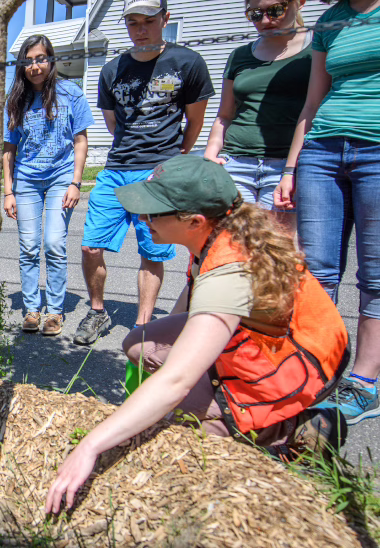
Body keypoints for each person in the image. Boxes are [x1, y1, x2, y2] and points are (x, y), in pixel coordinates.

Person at [46, 155, 350, 514]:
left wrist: (90, 446)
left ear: (193, 221)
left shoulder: (230, 269)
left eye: (154, 212)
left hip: (293, 364)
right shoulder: (218, 232)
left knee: (182, 406)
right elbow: (190, 302)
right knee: (139, 344)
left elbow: (176, 380)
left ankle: (290, 429)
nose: (143, 220)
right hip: (268, 335)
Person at [275, 0, 380, 424]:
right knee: (316, 270)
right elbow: (314, 100)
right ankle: (317, 367)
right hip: (321, 149)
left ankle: (365, 380)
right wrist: (292, 167)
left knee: (375, 275)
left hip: (376, 149)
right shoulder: (330, 22)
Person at [76, 0, 214, 346]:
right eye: (133, 22)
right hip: (117, 167)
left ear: (164, 20)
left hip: (159, 169)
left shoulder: (187, 63)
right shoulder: (112, 70)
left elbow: (195, 122)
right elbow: (112, 123)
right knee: (91, 245)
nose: (141, 29)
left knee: (152, 250)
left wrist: (173, 157)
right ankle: (97, 311)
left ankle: (142, 325)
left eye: (149, 21)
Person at [204, 0, 310, 233]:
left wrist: (291, 169)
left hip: (286, 166)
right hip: (236, 162)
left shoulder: (315, 49)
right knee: (233, 249)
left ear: (300, 1)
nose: (264, 20)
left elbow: (313, 111)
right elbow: (224, 115)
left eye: (275, 10)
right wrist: (210, 155)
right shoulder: (240, 55)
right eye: (255, 14)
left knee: (276, 253)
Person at [3, 35, 94, 336]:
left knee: (54, 243)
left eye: (40, 58)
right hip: (26, 179)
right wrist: (8, 190)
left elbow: (81, 140)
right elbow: (9, 150)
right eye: (28, 61)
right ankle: (31, 309)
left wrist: (76, 183)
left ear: (51, 60)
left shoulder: (71, 93)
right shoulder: (16, 100)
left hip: (61, 178)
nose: (35, 66)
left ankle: (54, 311)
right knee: (29, 247)